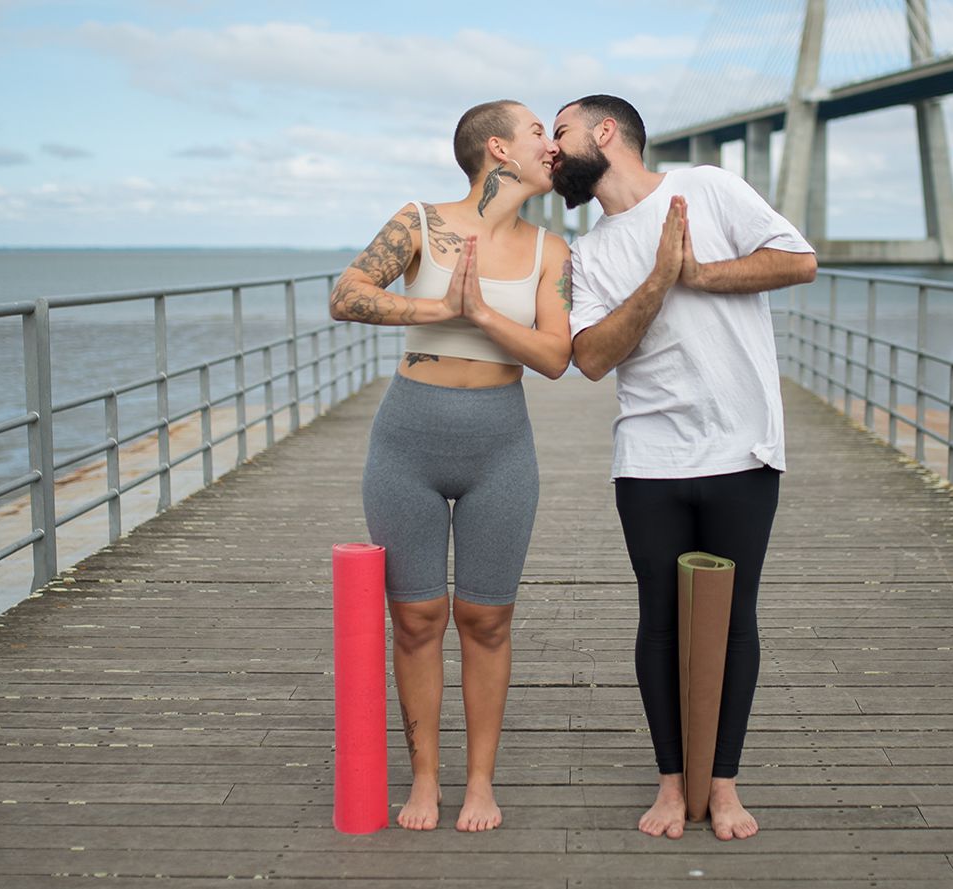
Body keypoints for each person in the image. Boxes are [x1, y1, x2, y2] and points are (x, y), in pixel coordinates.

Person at [549, 94, 817, 841]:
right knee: (660, 619)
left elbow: (799, 261)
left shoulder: (706, 187)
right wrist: (658, 279)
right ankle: (673, 782)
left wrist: (692, 271)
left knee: (736, 621)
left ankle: (722, 783)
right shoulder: (588, 253)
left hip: (742, 447)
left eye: (559, 131)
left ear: (606, 133)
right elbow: (593, 359)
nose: (550, 149)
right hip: (650, 457)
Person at [327, 99, 572, 832]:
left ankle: (481, 782)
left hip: (501, 446)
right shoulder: (419, 221)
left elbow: (557, 358)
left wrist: (486, 317)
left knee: (487, 619)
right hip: (407, 443)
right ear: (498, 148)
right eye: (537, 132)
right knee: (417, 618)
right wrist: (440, 312)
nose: (550, 145)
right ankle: (426, 779)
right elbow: (346, 294)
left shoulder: (549, 250)